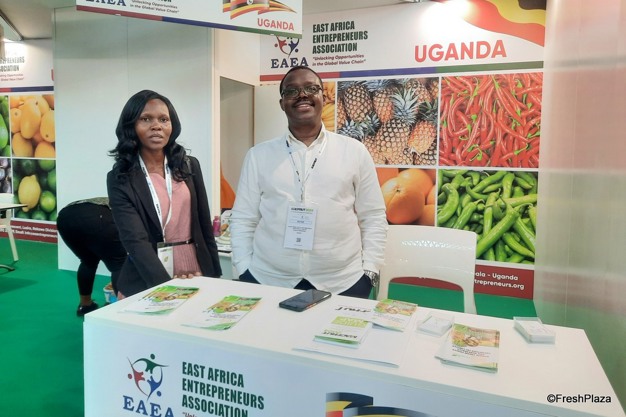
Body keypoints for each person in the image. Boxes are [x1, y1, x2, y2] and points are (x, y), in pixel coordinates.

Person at [230, 66, 387, 299]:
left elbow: (373, 215)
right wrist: (244, 268)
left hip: (343, 282)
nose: (302, 95)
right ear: (282, 103)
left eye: (311, 89)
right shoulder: (258, 155)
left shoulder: (354, 151)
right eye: (292, 91)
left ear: (323, 97)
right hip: (269, 280)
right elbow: (243, 217)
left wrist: (369, 272)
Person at [107, 89, 222, 298]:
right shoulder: (121, 177)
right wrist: (165, 288)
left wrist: (214, 273)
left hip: (195, 268)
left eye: (163, 119)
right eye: (146, 119)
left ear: (172, 125)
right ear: (131, 126)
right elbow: (135, 241)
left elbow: (204, 224)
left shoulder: (188, 165)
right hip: (148, 274)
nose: (156, 126)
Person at [56, 197, 127, 316]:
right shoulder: (134, 206)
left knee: (88, 260)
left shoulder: (117, 199)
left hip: (65, 217)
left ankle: (85, 305)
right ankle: (121, 310)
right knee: (118, 265)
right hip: (98, 217)